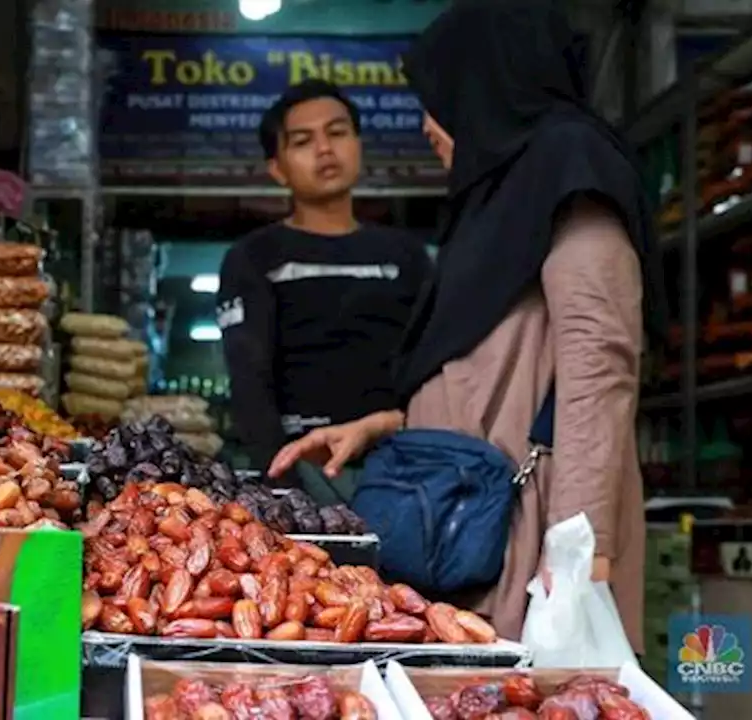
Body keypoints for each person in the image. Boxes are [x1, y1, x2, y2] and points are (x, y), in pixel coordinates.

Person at [268, 0, 663, 653]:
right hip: (468, 522)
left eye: (441, 96)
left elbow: (598, 367)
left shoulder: (573, 172)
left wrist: (578, 559)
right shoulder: (500, 201)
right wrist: (383, 427)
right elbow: (476, 374)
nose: (428, 123)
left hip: (533, 533)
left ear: (488, 82)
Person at [217, 80, 430, 494]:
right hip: (305, 471)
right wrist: (286, 488)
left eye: (337, 133)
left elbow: (433, 370)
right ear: (277, 167)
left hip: (404, 468)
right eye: (303, 140)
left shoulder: (407, 256)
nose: (325, 149)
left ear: (358, 143)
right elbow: (249, 387)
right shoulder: (254, 258)